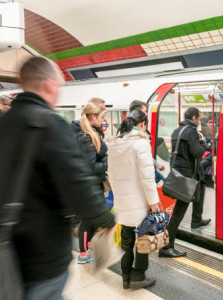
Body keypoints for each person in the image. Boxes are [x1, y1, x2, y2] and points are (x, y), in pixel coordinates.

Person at [0, 56, 115, 299]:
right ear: (50, 85)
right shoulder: (50, 124)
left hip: (8, 246)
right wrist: (104, 217)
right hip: (42, 248)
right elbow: (77, 182)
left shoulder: (5, 122)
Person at [107, 110, 159, 289]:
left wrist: (119, 193)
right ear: (142, 124)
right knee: (144, 238)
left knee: (127, 241)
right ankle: (138, 275)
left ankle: (125, 277)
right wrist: (153, 201)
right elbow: (147, 177)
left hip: (122, 200)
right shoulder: (141, 143)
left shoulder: (114, 144)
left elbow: (110, 174)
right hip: (138, 201)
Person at [159, 107, 211, 258]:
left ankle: (196, 220)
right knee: (177, 215)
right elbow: (198, 152)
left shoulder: (177, 131)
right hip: (187, 178)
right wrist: (201, 142)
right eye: (199, 119)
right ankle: (166, 247)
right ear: (194, 118)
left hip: (179, 175)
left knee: (192, 198)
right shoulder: (191, 131)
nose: (200, 121)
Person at [71, 99, 108, 263]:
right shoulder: (87, 137)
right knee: (87, 220)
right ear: (92, 117)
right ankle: (83, 253)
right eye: (101, 117)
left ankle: (85, 248)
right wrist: (108, 162)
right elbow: (91, 166)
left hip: (89, 184)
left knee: (90, 219)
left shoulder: (89, 132)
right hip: (89, 185)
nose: (103, 120)